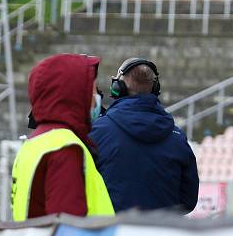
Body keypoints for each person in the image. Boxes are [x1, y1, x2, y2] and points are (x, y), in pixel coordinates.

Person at [11, 53, 114, 220]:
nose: (97, 98)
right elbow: (66, 232)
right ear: (75, 94)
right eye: (93, 90)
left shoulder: (34, 143)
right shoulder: (66, 149)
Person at [90, 58, 199, 213]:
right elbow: (188, 201)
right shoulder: (178, 138)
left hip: (113, 233)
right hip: (162, 233)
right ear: (155, 88)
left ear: (117, 87)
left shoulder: (97, 131)